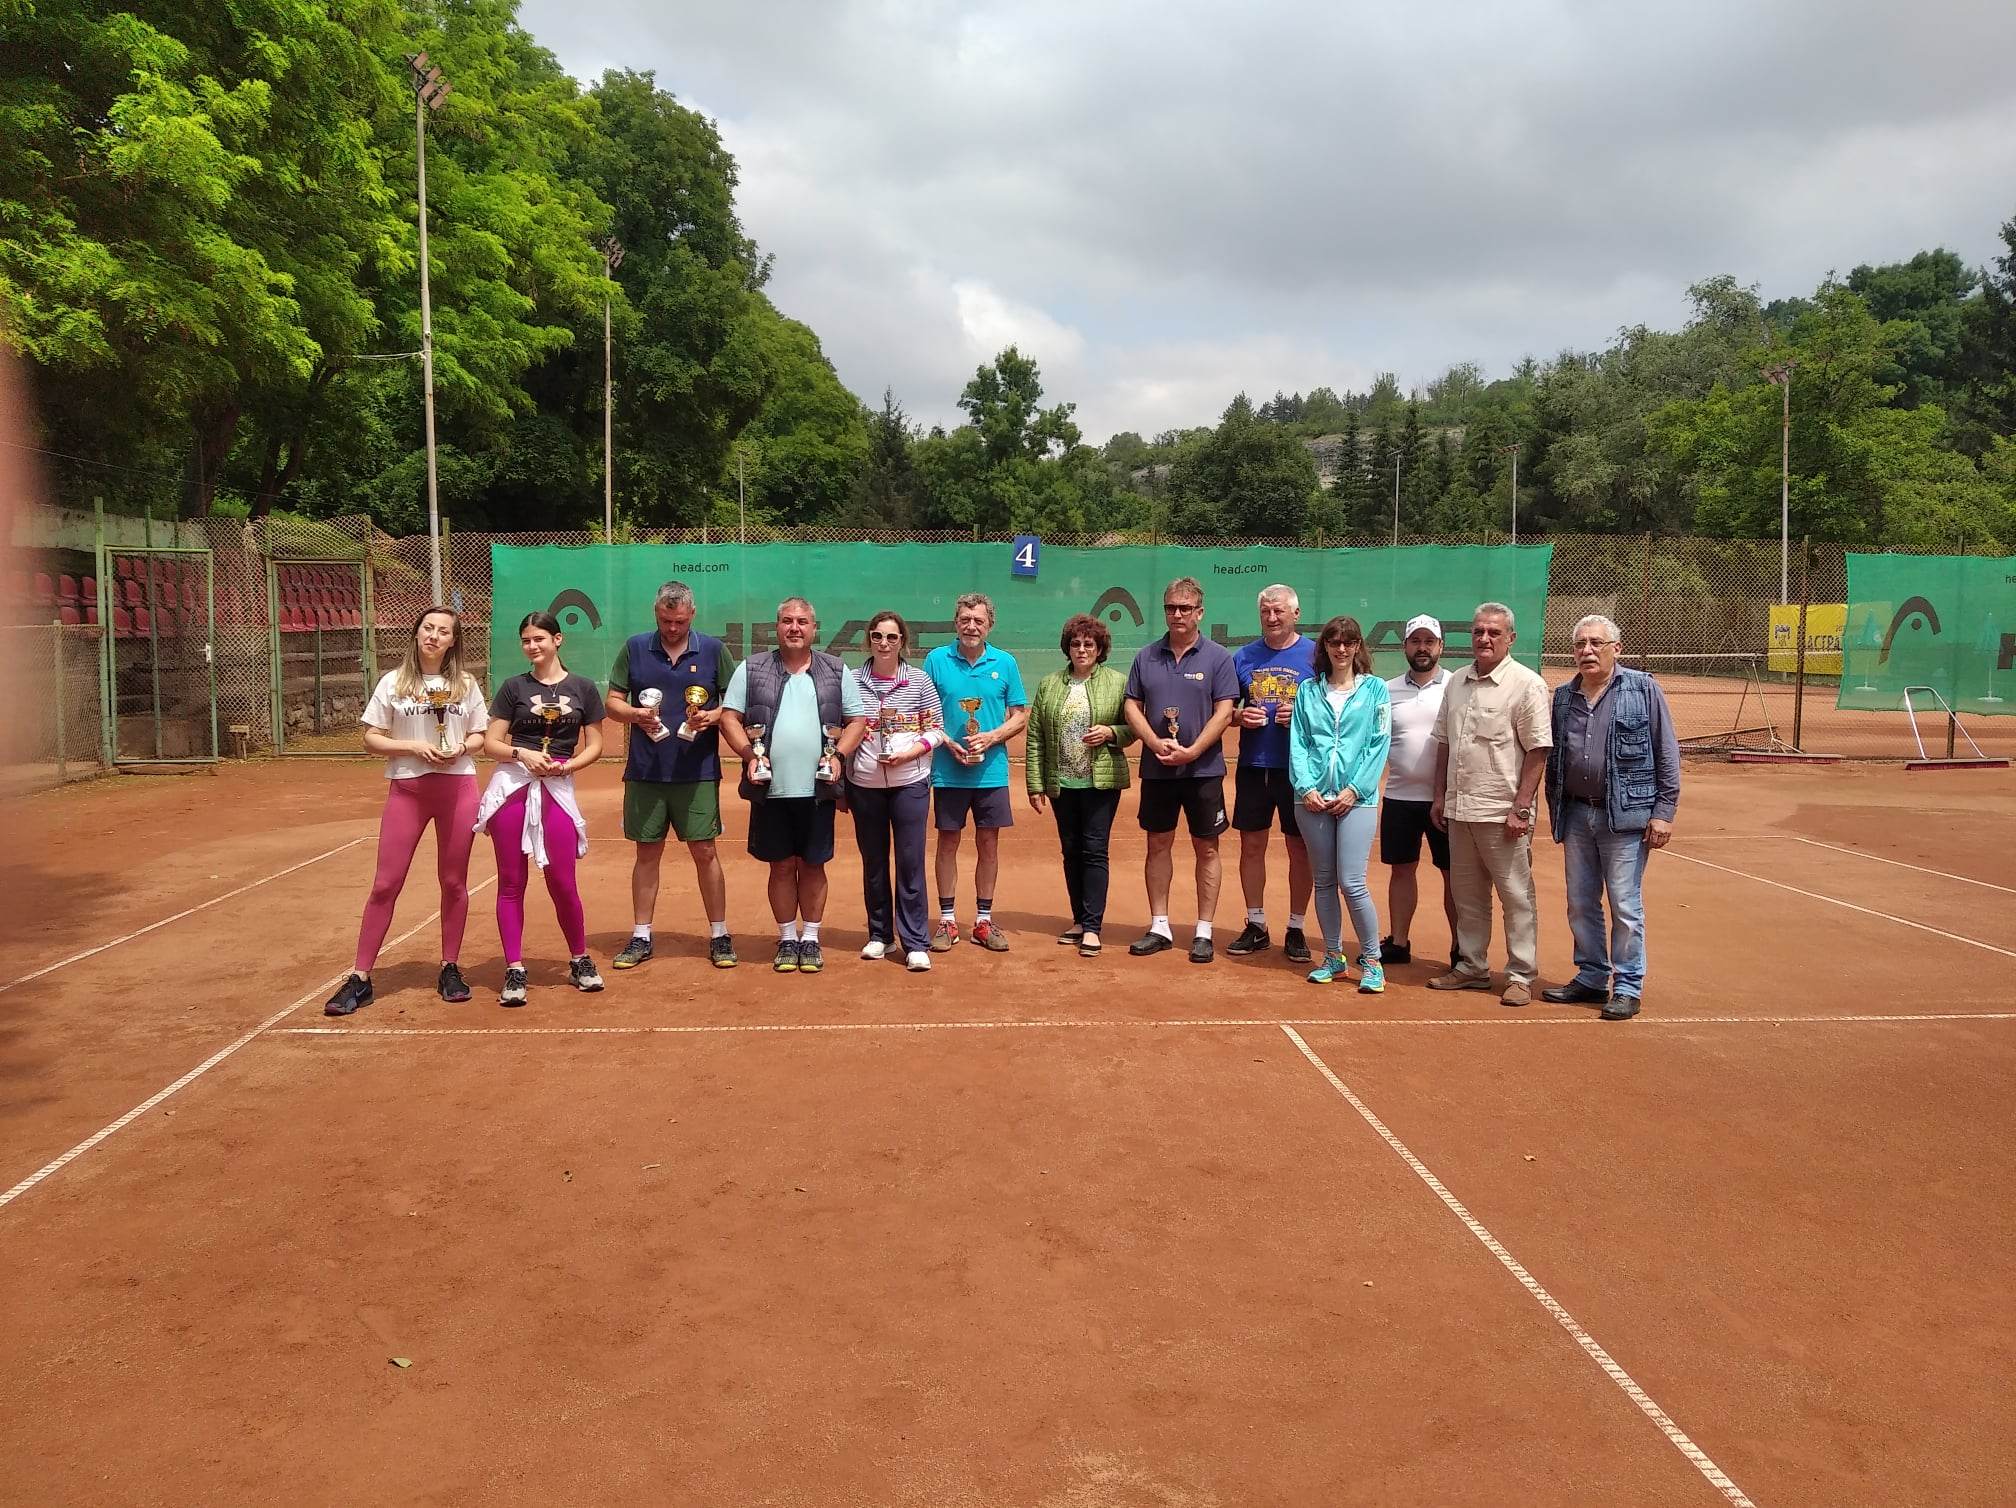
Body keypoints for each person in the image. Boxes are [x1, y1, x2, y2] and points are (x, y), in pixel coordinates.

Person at [325, 606, 488, 1016]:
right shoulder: (393, 682)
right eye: (428, 628)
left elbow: (479, 735)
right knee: (386, 883)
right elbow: (371, 739)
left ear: (453, 641)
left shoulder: (465, 684)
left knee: (453, 882)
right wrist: (413, 747)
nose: (434, 636)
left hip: (457, 788)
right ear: (416, 633)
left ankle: (450, 967)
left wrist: (460, 748)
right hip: (408, 789)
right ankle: (361, 977)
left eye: (443, 631)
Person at [1541, 614, 1681, 1021]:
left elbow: (1666, 751)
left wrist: (1663, 812)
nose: (1587, 651)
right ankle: (1591, 976)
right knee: (1580, 902)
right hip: (1576, 813)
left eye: (1596, 643)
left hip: (1625, 817)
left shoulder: (1643, 688)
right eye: (1580, 644)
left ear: (1616, 649)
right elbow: (1555, 760)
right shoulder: (1563, 697)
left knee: (1624, 904)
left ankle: (1628, 986)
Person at [719, 597, 868, 975]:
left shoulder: (836, 669)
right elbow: (730, 717)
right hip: (771, 789)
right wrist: (749, 756)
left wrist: (839, 756)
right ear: (777, 627)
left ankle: (811, 938)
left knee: (813, 865)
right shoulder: (752, 668)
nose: (795, 628)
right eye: (787, 621)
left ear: (814, 628)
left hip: (818, 789)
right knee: (782, 866)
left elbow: (856, 720)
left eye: (802, 621)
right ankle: (787, 938)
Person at [603, 580, 740, 971]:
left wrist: (711, 716)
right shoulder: (634, 648)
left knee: (705, 851)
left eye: (680, 621)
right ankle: (641, 935)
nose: (673, 628)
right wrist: (635, 714)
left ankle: (719, 934)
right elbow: (612, 702)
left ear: (692, 614)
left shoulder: (713, 650)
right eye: (666, 621)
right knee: (647, 852)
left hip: (697, 771)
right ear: (656, 613)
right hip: (646, 770)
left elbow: (734, 703)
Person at [477, 611, 606, 1006]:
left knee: (563, 881)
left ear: (557, 640)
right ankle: (514, 968)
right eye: (526, 640)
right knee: (511, 882)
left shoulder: (583, 688)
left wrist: (568, 766)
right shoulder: (513, 687)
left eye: (539, 639)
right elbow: (491, 743)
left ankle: (579, 959)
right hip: (513, 786)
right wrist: (523, 753)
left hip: (557, 787)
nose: (532, 646)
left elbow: (596, 744)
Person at [1428, 602, 1552, 1007]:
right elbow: (1444, 742)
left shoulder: (1527, 684)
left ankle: (1520, 975)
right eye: (1479, 631)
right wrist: (1440, 797)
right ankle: (1472, 966)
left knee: (1516, 895)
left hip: (1502, 814)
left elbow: (1538, 750)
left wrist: (1521, 808)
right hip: (1459, 809)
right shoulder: (1457, 682)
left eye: (1494, 633)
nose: (1484, 638)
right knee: (1467, 896)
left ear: (1510, 638)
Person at [1123, 576, 1240, 962]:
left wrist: (1192, 751)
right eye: (1171, 607)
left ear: (1199, 612)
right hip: (1158, 769)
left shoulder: (1218, 658)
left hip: (1203, 771)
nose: (1177, 614)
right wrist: (1155, 743)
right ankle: (1159, 926)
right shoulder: (1146, 657)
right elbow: (1131, 706)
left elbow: (1225, 711)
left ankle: (1204, 931)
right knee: (1157, 843)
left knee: (1207, 847)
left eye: (1185, 608)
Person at [1025, 613, 1137, 958]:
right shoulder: (1049, 684)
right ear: (1068, 648)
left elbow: (1134, 728)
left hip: (1100, 782)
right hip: (1062, 783)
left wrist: (1111, 732)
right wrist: (1035, 784)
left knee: (1094, 849)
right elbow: (1035, 736)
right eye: (1076, 644)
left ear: (1100, 649)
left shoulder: (1117, 683)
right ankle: (1078, 919)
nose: (1082, 649)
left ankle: (1092, 927)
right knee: (1071, 851)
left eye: (1089, 644)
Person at [1289, 616, 1392, 990]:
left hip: (1357, 801)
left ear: (1359, 646)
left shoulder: (1376, 690)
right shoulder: (1307, 690)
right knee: (1324, 881)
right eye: (1334, 642)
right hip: (1312, 799)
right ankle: (1333, 957)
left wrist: (1355, 790)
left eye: (1349, 642)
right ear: (1325, 647)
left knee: (1352, 882)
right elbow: (1299, 742)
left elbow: (1379, 743)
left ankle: (1372, 960)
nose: (1342, 649)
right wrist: (1305, 788)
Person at [923, 593, 1028, 952]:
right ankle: (947, 920)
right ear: (956, 623)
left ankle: (983, 920)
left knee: (988, 843)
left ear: (989, 625)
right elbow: (926, 713)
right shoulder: (936, 660)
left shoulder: (1006, 662)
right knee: (948, 842)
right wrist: (948, 742)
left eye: (978, 621)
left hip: (991, 772)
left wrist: (992, 737)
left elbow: (1019, 715)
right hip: (947, 770)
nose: (971, 626)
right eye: (965, 619)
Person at [849, 611, 946, 973]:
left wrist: (910, 753)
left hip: (910, 783)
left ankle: (915, 942)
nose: (884, 643)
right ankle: (880, 935)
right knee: (873, 862)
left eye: (892, 637)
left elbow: (937, 730)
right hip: (865, 785)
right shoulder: (852, 680)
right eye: (877, 636)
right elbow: (842, 728)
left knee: (910, 862)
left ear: (902, 641)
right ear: (869, 640)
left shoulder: (919, 681)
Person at [1226, 584, 1314, 963]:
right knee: (1251, 846)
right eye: (1266, 611)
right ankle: (1257, 924)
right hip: (1254, 766)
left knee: (1300, 848)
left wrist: (1303, 716)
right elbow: (1224, 710)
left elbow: (1335, 707)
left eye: (1279, 611)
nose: (1272, 617)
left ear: (1295, 613)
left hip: (1299, 769)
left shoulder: (1315, 655)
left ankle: (1296, 926)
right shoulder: (1244, 657)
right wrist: (1238, 716)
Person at [1380, 614, 1460, 969]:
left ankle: (1461, 949)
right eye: (1416, 641)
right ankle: (1398, 942)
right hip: (1399, 797)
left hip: (1447, 800)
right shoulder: (1386, 690)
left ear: (1441, 646)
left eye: (1429, 641)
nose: (1422, 648)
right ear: (1405, 647)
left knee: (1453, 876)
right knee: (1401, 870)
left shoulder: (1458, 686)